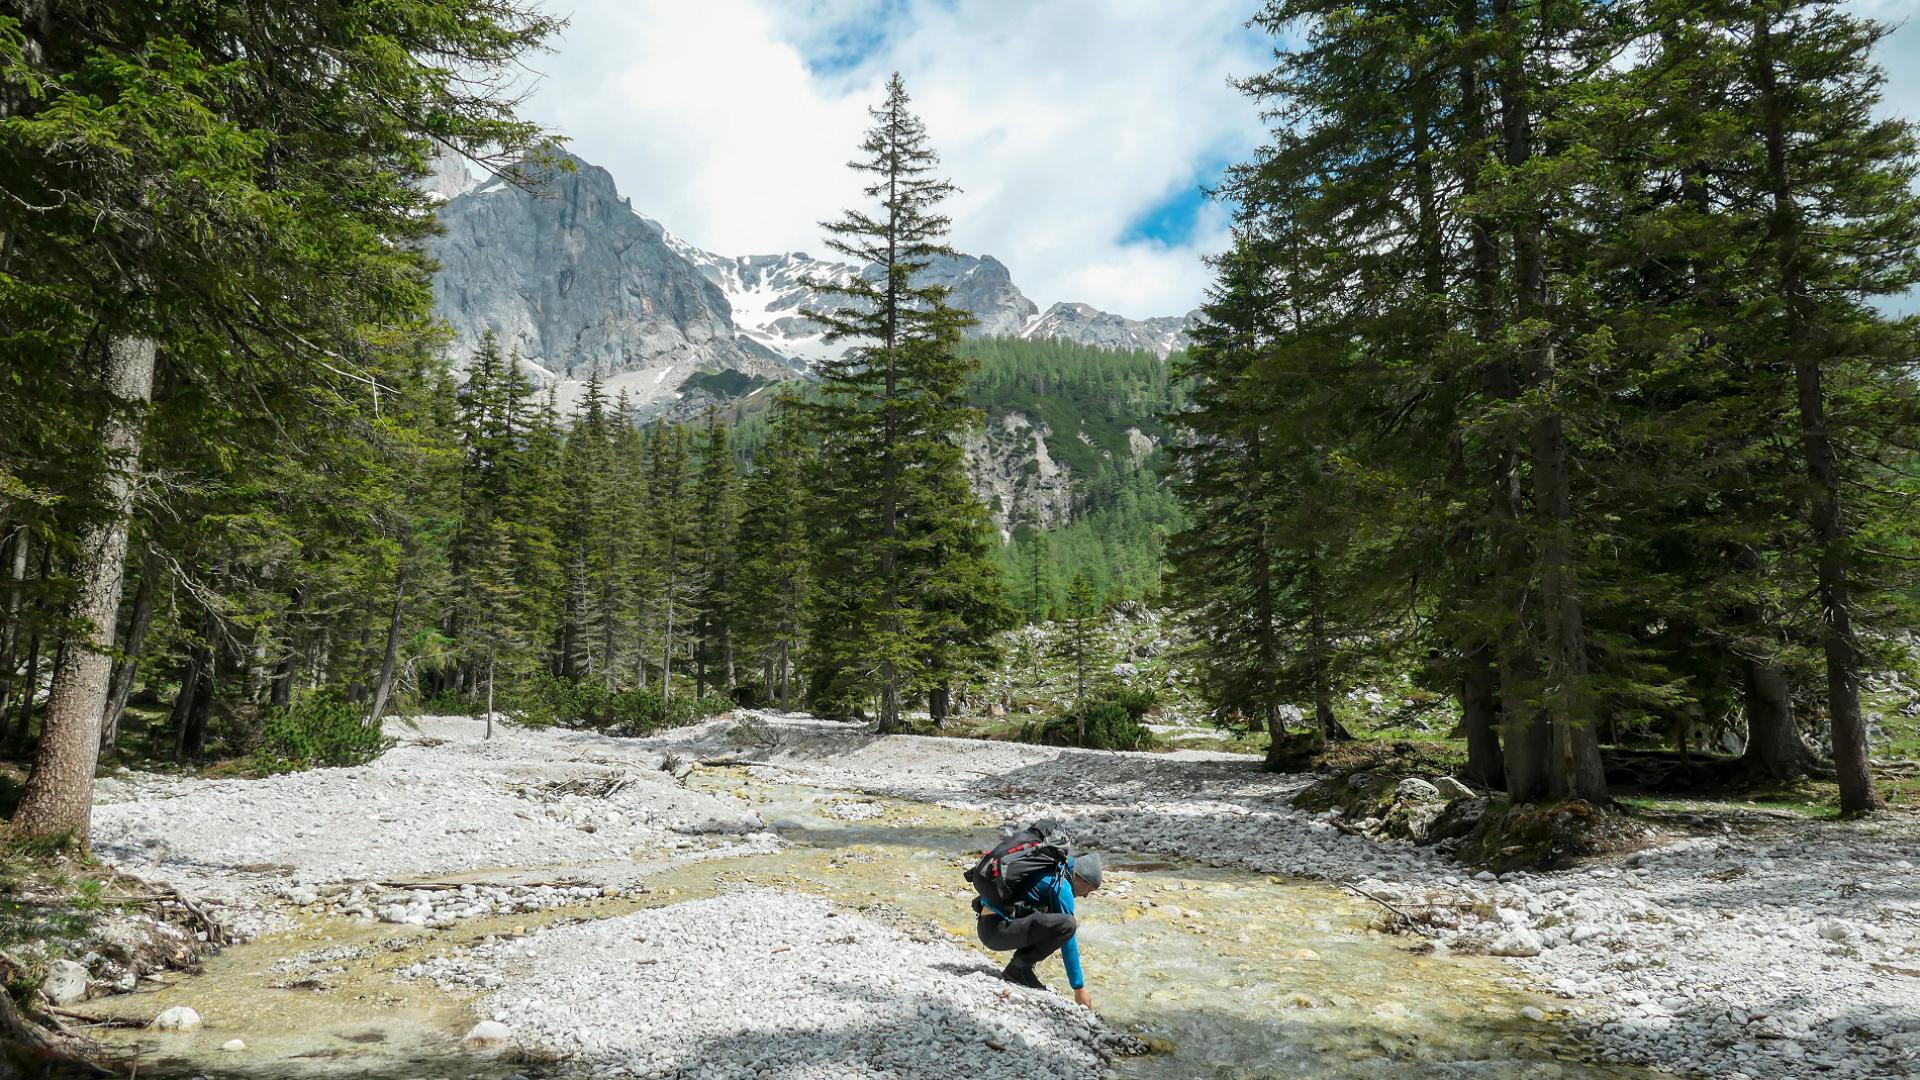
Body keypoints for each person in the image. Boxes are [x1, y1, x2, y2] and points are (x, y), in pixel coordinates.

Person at [973, 851, 1103, 1008]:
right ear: (1080, 878)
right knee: (1067, 925)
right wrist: (1078, 987)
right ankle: (1018, 969)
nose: (1086, 896)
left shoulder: (1052, 868)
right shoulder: (1060, 887)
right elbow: (1069, 939)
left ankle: (1020, 969)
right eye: (1089, 889)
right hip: (996, 932)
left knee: (1051, 915)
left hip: (989, 924)